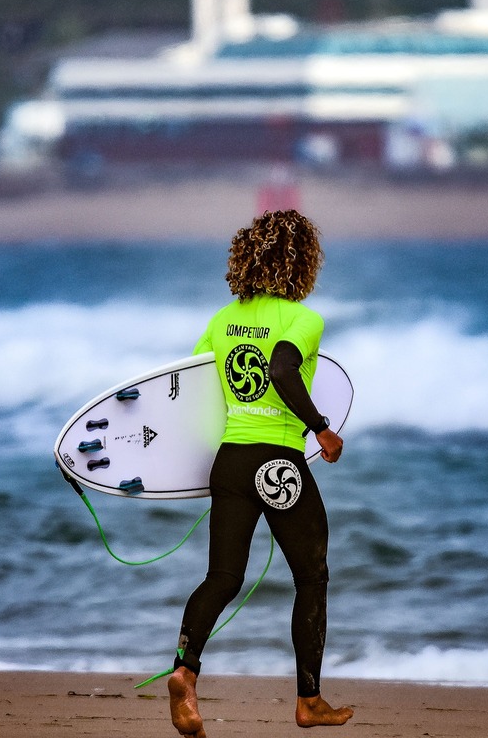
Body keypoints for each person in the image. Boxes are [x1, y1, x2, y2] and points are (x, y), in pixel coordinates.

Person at [168, 209, 354, 737]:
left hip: (229, 461)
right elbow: (280, 368)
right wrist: (320, 428)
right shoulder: (303, 318)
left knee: (223, 578)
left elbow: (192, 393)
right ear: (303, 263)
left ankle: (185, 670)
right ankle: (309, 700)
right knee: (312, 576)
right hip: (276, 460)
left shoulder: (221, 321)